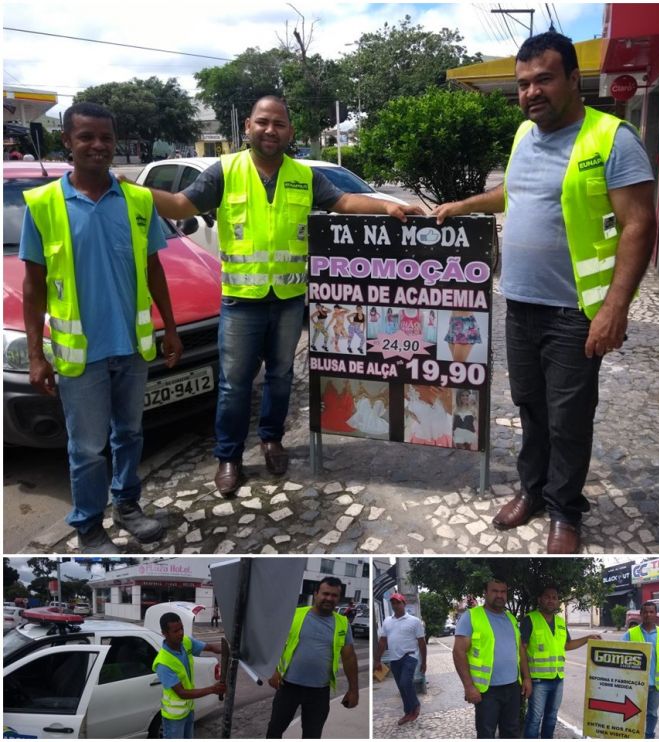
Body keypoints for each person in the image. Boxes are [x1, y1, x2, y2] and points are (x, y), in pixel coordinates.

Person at [434, 32, 656, 553]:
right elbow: (513, 191)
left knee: (569, 418)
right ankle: (532, 491)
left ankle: (565, 511)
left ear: (575, 79)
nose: (532, 92)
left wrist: (614, 309)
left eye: (544, 80)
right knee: (531, 407)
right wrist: (465, 205)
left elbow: (639, 225)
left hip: (576, 311)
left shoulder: (612, 138)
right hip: (521, 305)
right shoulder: (522, 137)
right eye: (523, 84)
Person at [140, 96, 423, 490]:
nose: (270, 130)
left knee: (280, 377)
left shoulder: (304, 176)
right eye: (262, 122)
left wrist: (388, 207)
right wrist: (133, 192)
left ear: (289, 131)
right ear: (249, 128)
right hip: (241, 302)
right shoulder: (226, 171)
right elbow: (180, 203)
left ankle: (272, 441)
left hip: (289, 300)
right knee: (234, 385)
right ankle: (229, 456)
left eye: (278, 124)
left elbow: (343, 202)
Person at [21, 101, 183, 554]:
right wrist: (36, 354)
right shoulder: (44, 205)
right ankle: (89, 528)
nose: (97, 145)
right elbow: (33, 289)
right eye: (86, 137)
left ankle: (127, 506)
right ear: (67, 141)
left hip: (131, 347)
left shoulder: (137, 201)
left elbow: (154, 270)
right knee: (87, 449)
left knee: (130, 435)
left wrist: (170, 328)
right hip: (80, 356)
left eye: (106, 138)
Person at [266, 576, 359, 738]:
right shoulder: (295, 615)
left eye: (334, 595)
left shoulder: (343, 623)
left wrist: (354, 690)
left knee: (312, 735)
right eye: (325, 594)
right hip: (288, 687)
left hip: (319, 692)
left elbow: (349, 658)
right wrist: (272, 670)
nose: (329, 598)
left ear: (339, 598)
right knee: (274, 730)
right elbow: (273, 643)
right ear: (316, 594)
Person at [452, 577, 532, 738]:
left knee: (511, 732)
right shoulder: (471, 616)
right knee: (486, 733)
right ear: (486, 593)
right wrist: (469, 687)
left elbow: (520, 651)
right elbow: (458, 652)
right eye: (495, 591)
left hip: (512, 688)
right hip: (487, 691)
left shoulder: (510, 618)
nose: (499, 595)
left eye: (503, 591)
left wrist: (527, 678)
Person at [521, 585, 601, 738]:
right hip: (538, 680)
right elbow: (521, 650)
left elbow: (567, 645)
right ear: (540, 599)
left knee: (551, 717)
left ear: (558, 602)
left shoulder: (560, 622)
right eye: (547, 597)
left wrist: (587, 638)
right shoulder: (529, 620)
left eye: (554, 597)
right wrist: (526, 678)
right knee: (534, 719)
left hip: (558, 679)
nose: (551, 600)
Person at [153, 612, 226, 738]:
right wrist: (212, 689)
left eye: (181, 628)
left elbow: (208, 647)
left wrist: (227, 649)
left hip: (189, 710)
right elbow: (181, 693)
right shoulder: (163, 662)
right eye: (176, 631)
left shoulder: (185, 642)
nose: (181, 633)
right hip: (174, 717)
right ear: (164, 633)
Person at [375, 592, 427, 726]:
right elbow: (382, 641)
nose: (395, 605)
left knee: (405, 682)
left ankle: (415, 705)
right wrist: (377, 660)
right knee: (401, 687)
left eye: (398, 602)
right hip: (394, 659)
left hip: (409, 656)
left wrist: (424, 662)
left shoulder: (414, 621)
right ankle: (408, 712)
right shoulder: (387, 621)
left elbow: (421, 642)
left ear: (404, 604)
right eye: (393, 602)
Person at [622, 602, 659, 739]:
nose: (648, 614)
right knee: (633, 714)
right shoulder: (630, 634)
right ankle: (633, 736)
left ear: (655, 614)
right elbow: (619, 655)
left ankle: (649, 736)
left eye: (651, 612)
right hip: (636, 685)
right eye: (645, 612)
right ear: (640, 614)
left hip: (655, 685)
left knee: (652, 714)